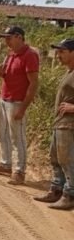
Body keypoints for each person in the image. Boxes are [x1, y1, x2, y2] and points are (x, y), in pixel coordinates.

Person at [0, 25, 39, 185]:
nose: (6, 41)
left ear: (18, 37)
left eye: (9, 38)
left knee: (18, 138)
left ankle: (19, 171)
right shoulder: (10, 55)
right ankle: (5, 163)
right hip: (4, 99)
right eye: (5, 38)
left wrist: (23, 108)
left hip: (17, 102)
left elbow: (34, 83)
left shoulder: (30, 55)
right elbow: (9, 76)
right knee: (2, 133)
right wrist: (1, 73)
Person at [34, 38, 74, 209]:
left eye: (62, 51)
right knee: (55, 158)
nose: (58, 55)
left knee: (67, 160)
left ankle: (69, 194)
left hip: (69, 125)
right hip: (60, 123)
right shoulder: (69, 72)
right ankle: (56, 190)